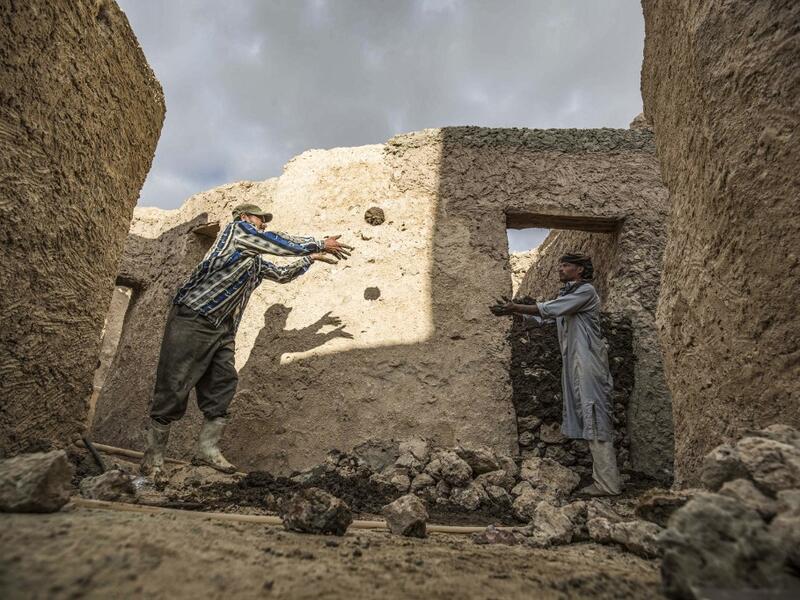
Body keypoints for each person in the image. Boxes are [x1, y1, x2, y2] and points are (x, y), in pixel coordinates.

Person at [140, 203, 352, 480]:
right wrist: (318, 242)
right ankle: (153, 459)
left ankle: (207, 450)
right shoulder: (237, 231)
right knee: (174, 383)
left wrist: (310, 258)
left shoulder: (254, 261)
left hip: (223, 328)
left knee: (222, 384)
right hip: (194, 316)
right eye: (260, 219)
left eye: (264, 221)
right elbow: (274, 242)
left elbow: (282, 274)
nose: (263, 223)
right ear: (244, 217)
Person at [490, 253, 621, 496]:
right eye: (560, 264)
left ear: (580, 270)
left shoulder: (585, 292)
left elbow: (550, 310)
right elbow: (548, 319)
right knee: (589, 416)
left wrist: (515, 307)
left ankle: (608, 484)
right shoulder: (569, 296)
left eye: (566, 265)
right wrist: (516, 313)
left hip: (589, 363)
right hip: (576, 364)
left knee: (594, 415)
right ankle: (603, 480)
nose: (560, 268)